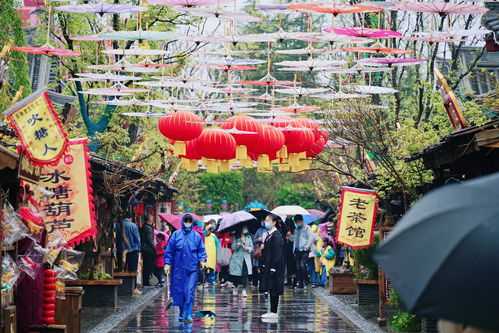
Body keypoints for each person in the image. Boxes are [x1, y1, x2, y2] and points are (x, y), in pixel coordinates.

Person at [164, 214, 207, 323]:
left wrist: (202, 261)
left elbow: (201, 251)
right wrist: (167, 263)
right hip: (178, 269)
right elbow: (169, 251)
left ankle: (188, 314)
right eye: (186, 221)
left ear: (192, 223)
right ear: (182, 222)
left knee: (189, 291)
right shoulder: (175, 235)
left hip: (192, 269)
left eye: (189, 222)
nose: (187, 224)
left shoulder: (196, 236)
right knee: (180, 291)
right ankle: (181, 312)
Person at [260, 214, 285, 320]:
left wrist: (273, 267)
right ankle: (272, 311)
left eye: (268, 220)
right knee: (271, 287)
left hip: (275, 266)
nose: (266, 222)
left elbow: (277, 253)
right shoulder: (269, 235)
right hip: (269, 265)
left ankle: (274, 311)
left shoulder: (276, 235)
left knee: (274, 288)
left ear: (274, 222)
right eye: (266, 220)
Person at [115, 212, 142, 295]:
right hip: (132, 250)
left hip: (120, 250)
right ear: (130, 218)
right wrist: (139, 248)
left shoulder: (117, 225)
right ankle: (133, 288)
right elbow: (137, 238)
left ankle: (120, 288)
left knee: (120, 269)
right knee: (132, 269)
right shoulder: (133, 226)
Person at [229, 226, 253, 297]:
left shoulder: (249, 237)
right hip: (237, 259)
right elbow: (233, 247)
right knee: (236, 275)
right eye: (244, 228)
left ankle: (244, 290)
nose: (245, 229)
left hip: (246, 258)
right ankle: (235, 287)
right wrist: (240, 242)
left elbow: (251, 247)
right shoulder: (235, 237)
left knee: (245, 274)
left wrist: (248, 248)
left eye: (246, 228)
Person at [292, 214, 314, 289]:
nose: (296, 223)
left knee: (302, 265)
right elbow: (294, 239)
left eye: (297, 221)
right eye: (295, 222)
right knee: (298, 268)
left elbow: (311, 238)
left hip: (304, 250)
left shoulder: (307, 228)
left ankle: (307, 279)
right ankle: (301, 283)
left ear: (301, 221)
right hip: (297, 250)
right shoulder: (296, 229)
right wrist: (289, 236)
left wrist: (306, 247)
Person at [140, 215, 156, 287]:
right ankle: (146, 281)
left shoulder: (146, 226)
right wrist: (155, 249)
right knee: (148, 265)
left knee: (147, 265)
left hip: (146, 249)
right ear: (149, 219)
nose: (153, 219)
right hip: (148, 250)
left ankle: (146, 280)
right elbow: (149, 240)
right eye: (152, 218)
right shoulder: (147, 228)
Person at [252, 223, 268, 288]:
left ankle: (263, 283)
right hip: (259, 251)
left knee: (264, 268)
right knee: (256, 267)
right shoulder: (259, 230)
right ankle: (255, 282)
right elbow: (253, 241)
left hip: (267, 252)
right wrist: (257, 240)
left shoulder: (270, 231)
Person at [203, 220, 220, 284]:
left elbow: (217, 245)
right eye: (207, 230)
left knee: (212, 269)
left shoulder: (213, 236)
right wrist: (206, 229)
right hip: (205, 255)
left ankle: (212, 280)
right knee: (204, 268)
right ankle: (205, 280)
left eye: (209, 231)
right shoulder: (203, 235)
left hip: (212, 256)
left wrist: (218, 254)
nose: (207, 232)